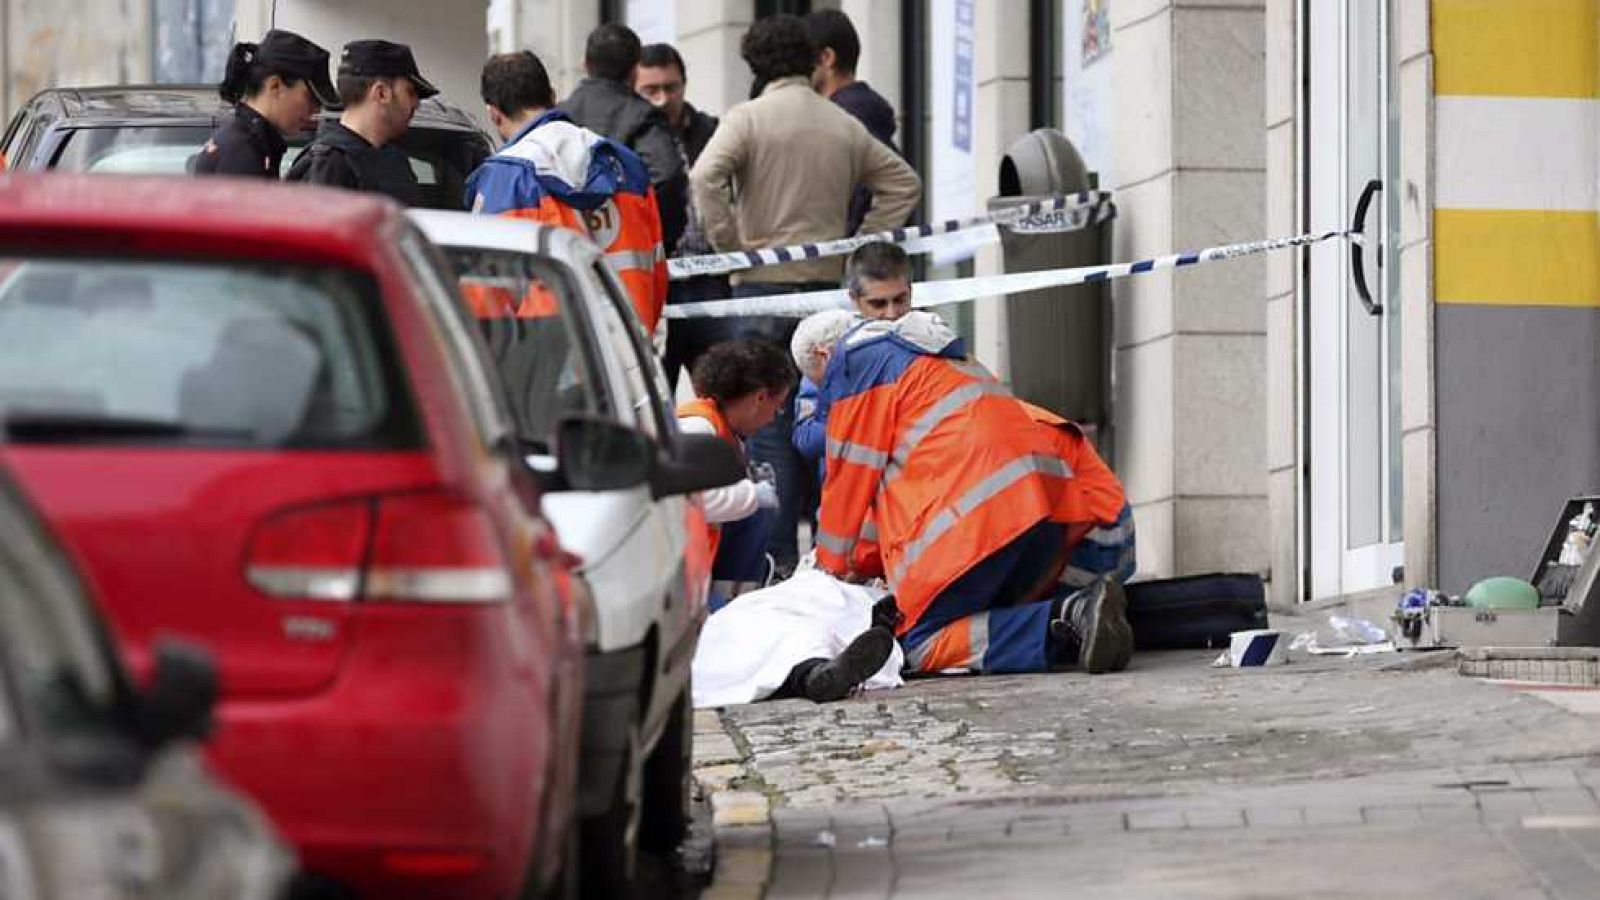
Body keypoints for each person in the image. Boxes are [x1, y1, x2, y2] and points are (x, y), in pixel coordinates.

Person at [690, 12, 921, 578]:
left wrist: (732, 244)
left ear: (754, 64)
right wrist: (857, 247)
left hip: (760, 294)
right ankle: (832, 562)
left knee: (767, 437)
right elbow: (903, 183)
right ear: (811, 59)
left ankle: (776, 567)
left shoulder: (746, 120)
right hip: (824, 295)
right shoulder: (839, 123)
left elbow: (704, 178)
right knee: (831, 433)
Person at [790, 308, 1136, 677]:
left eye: (822, 386)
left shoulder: (854, 364)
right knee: (984, 613)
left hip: (983, 518)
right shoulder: (927, 356)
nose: (830, 400)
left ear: (826, 357)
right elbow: (886, 502)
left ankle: (1067, 620)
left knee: (919, 643)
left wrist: (828, 569)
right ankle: (1080, 618)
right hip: (1045, 505)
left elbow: (848, 482)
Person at [466, 50, 668, 334]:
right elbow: (657, 270)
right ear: (552, 95)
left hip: (552, 355)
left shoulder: (505, 177)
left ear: (494, 114)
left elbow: (487, 293)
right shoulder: (625, 163)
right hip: (629, 348)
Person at [636, 42, 730, 391]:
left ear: (684, 85)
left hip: (712, 278)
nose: (662, 98)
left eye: (670, 88)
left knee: (724, 395)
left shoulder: (714, 131)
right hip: (659, 283)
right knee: (657, 394)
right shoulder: (631, 138)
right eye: (651, 90)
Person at [676, 339, 795, 608]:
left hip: (695, 564)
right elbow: (689, 501)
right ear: (759, 398)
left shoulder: (720, 428)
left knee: (756, 510)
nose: (775, 417)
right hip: (680, 574)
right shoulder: (697, 428)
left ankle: (735, 600)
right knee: (757, 508)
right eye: (777, 407)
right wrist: (753, 495)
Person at [561, 23, 688, 255]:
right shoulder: (642, 116)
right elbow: (667, 174)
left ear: (585, 64)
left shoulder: (559, 115)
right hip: (630, 254)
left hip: (570, 250)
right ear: (634, 70)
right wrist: (659, 234)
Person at [793, 242, 914, 474]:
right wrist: (868, 418)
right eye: (878, 304)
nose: (891, 314)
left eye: (900, 300)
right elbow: (806, 437)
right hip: (850, 489)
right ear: (854, 299)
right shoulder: (833, 342)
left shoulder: (931, 341)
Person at [285, 40, 437, 202]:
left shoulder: (393, 160)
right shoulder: (330, 164)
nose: (416, 104)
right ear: (382, 93)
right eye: (410, 92)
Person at [804, 8, 902, 235]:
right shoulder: (858, 114)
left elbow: (863, 195)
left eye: (803, 59)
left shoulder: (846, 118)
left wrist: (851, 248)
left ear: (827, 58)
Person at [190, 30, 338, 179]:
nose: (315, 110)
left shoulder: (246, 142)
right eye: (311, 98)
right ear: (275, 86)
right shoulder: (243, 154)